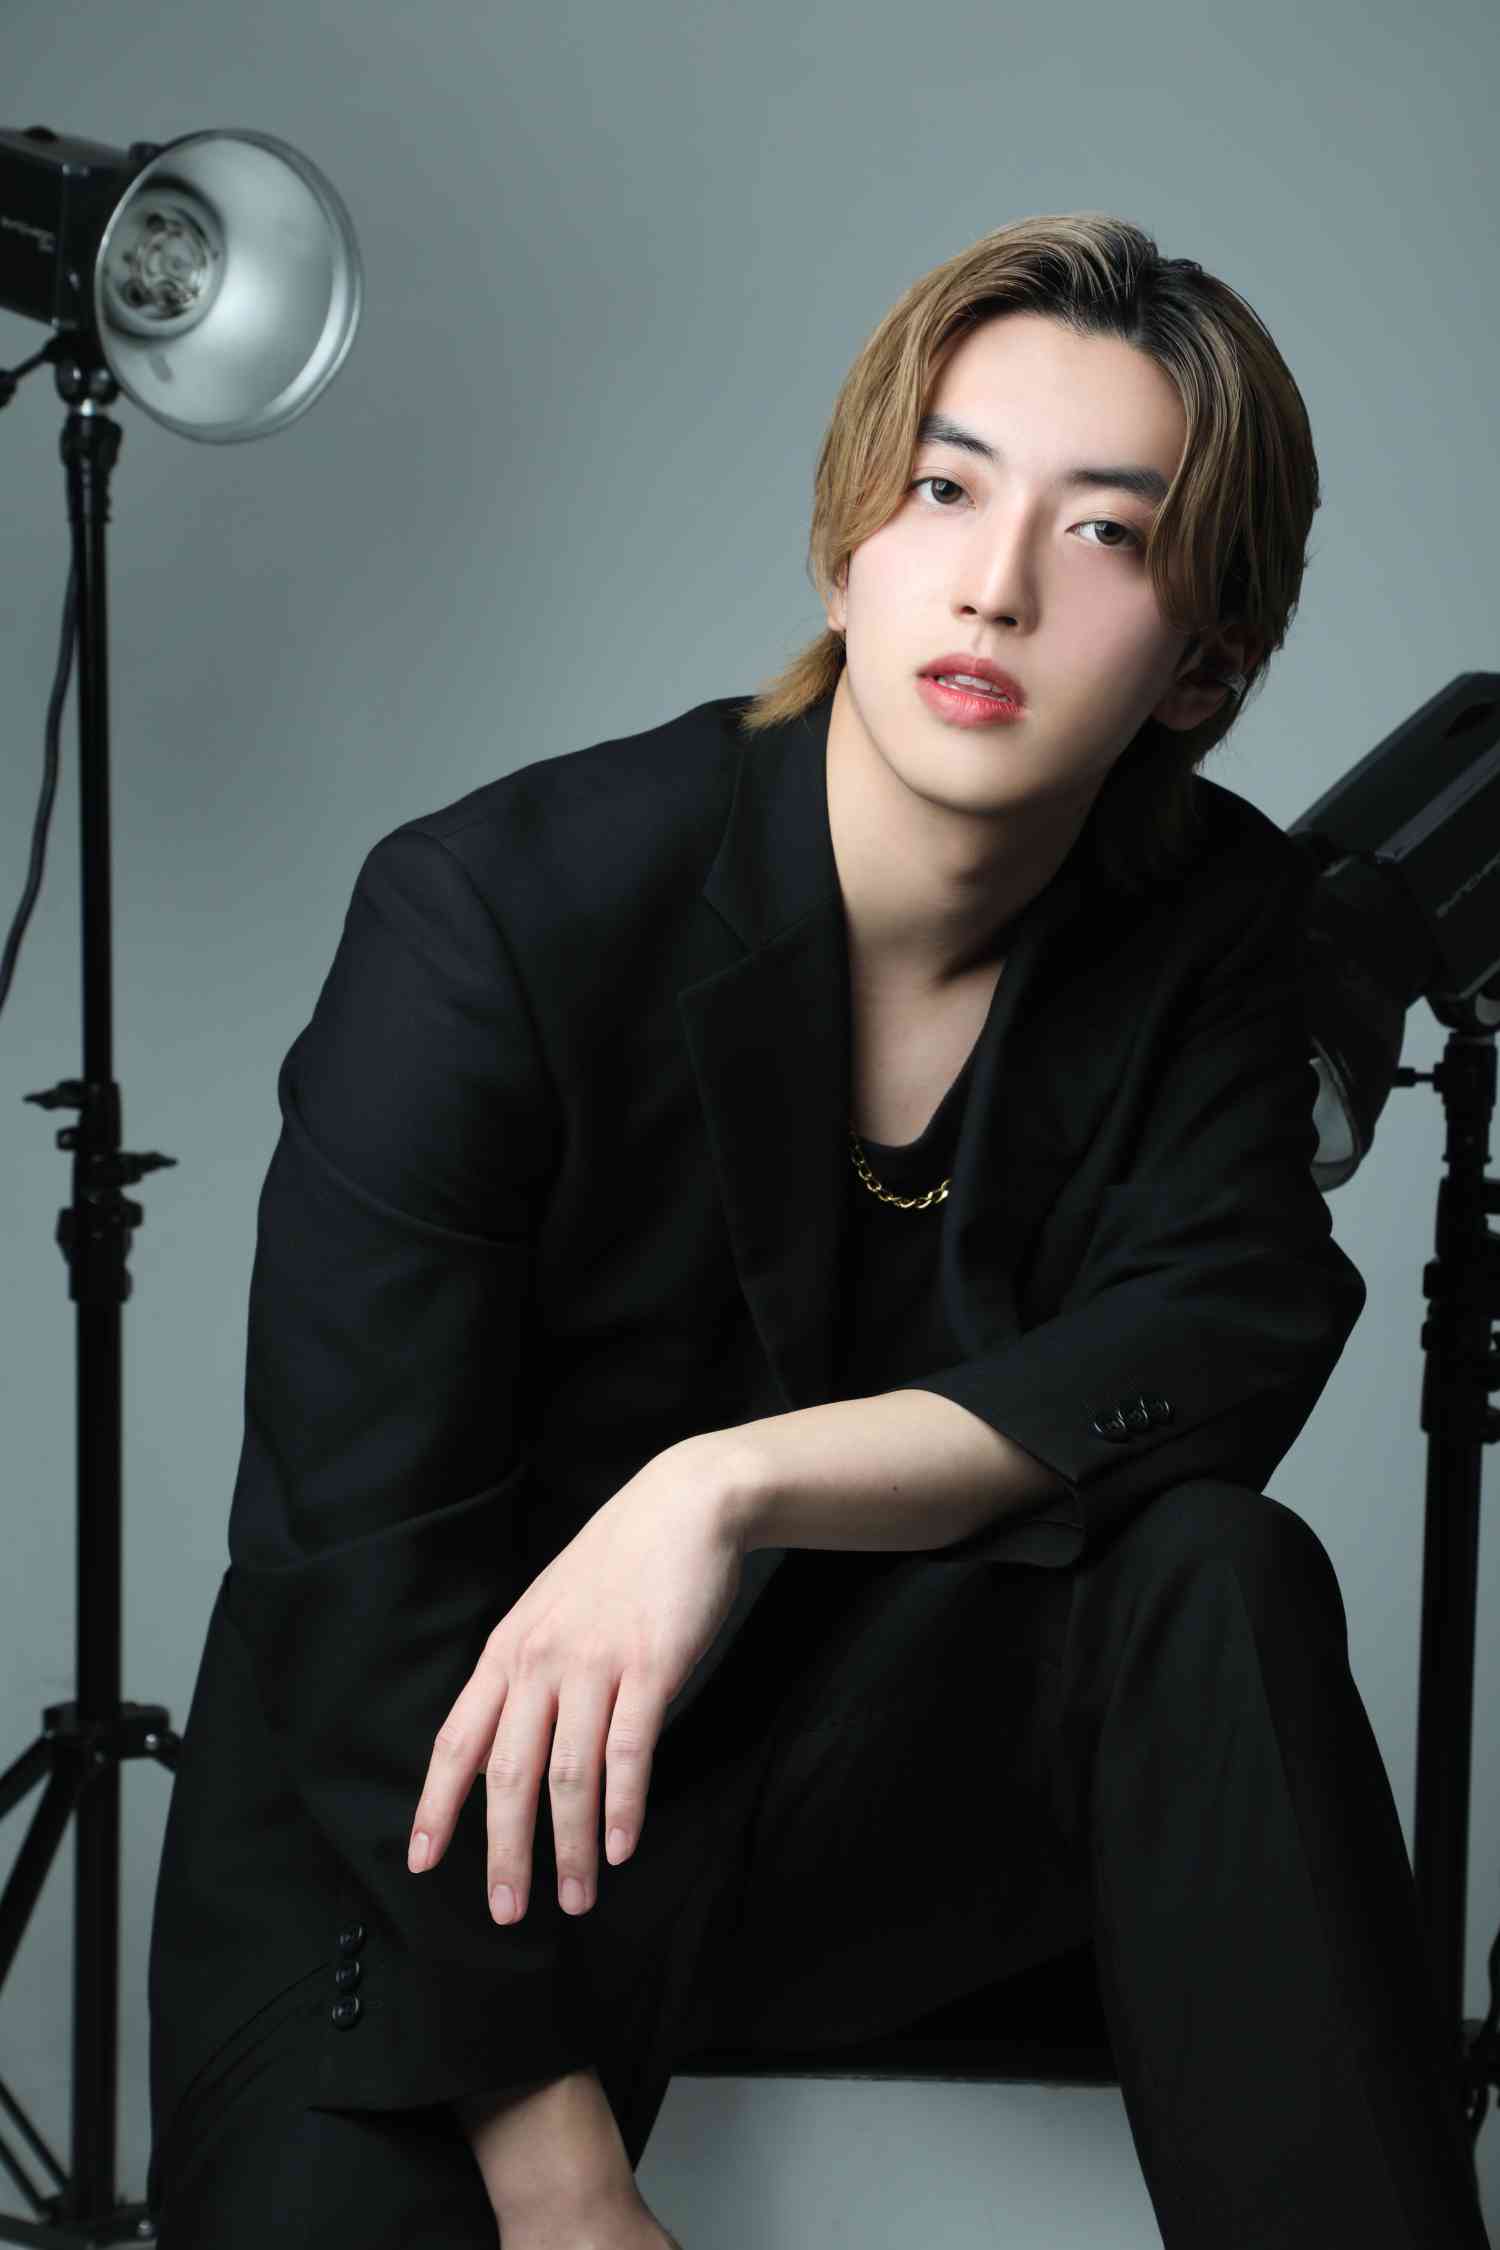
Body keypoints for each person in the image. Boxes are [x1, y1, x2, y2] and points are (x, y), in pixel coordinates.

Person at [146, 211, 1489, 2249]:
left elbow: (1215, 1330)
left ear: (1208, 660)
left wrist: (729, 1485)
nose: (996, 582)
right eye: (946, 488)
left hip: (867, 1810)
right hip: (428, 1841)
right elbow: (360, 1594)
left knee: (1217, 1568)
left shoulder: (1220, 931)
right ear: (846, 538)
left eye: (1106, 534)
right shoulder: (497, 915)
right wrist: (560, 2172)